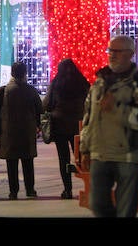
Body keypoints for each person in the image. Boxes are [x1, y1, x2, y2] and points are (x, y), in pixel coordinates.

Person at [77, 35, 138, 217]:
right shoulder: (100, 81)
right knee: (97, 205)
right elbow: (89, 116)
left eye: (117, 51)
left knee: (126, 210)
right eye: (110, 51)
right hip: (100, 152)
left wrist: (117, 108)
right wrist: (85, 148)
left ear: (130, 54)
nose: (111, 55)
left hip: (127, 155)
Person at [0, 60, 44, 200]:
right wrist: (38, 126)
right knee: (28, 162)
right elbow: (40, 110)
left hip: (9, 132)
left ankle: (13, 191)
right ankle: (30, 189)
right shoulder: (31, 90)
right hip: (27, 132)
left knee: (11, 163)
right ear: (25, 73)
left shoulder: (3, 91)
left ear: (12, 73)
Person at [43, 58, 91, 199]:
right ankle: (88, 186)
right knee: (82, 157)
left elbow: (47, 104)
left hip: (60, 126)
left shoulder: (56, 83)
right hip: (78, 125)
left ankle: (67, 190)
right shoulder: (82, 83)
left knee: (63, 158)